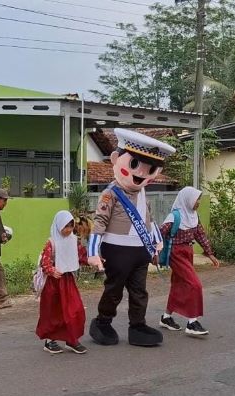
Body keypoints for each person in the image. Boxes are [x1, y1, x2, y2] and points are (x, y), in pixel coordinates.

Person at [87, 128, 176, 347]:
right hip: (116, 249)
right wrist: (92, 253)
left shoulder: (143, 194)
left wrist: (155, 245)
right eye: (135, 165)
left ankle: (137, 326)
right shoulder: (111, 193)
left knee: (139, 291)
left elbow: (149, 220)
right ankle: (102, 322)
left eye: (151, 169)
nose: (142, 173)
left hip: (140, 251)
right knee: (114, 290)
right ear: (117, 160)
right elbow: (99, 222)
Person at [158, 187, 220, 336]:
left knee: (178, 285)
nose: (198, 202)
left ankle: (166, 318)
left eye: (198, 199)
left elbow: (200, 235)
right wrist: (153, 252)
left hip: (188, 252)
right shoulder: (174, 217)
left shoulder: (193, 216)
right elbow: (159, 234)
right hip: (176, 254)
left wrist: (210, 254)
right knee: (194, 285)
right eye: (196, 199)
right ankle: (192, 322)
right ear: (187, 200)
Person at [35, 211, 89, 354]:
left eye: (71, 226)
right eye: (65, 226)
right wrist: (52, 270)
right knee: (53, 312)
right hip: (53, 284)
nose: (68, 230)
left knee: (74, 309)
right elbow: (44, 262)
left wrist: (94, 260)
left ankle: (72, 339)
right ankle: (49, 341)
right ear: (58, 225)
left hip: (67, 281)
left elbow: (81, 256)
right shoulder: (51, 243)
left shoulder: (73, 241)